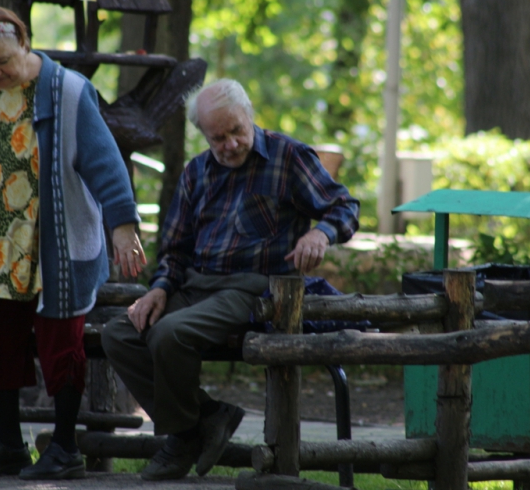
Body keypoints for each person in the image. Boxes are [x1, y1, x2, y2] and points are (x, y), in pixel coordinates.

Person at [101, 79, 360, 481]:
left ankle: (181, 437)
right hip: (195, 283)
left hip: (254, 288)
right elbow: (175, 248)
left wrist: (319, 233)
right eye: (217, 137)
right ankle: (202, 421)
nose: (230, 144)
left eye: (237, 131)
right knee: (119, 334)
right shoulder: (196, 172)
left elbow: (344, 205)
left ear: (249, 116)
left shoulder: (288, 156)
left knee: (170, 334)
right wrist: (158, 289)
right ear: (204, 135)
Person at [0, 6, 146, 481]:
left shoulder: (68, 92)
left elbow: (106, 163)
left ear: (25, 45)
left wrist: (123, 227)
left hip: (56, 250)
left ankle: (65, 448)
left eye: (3, 62)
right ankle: (9, 445)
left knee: (59, 347)